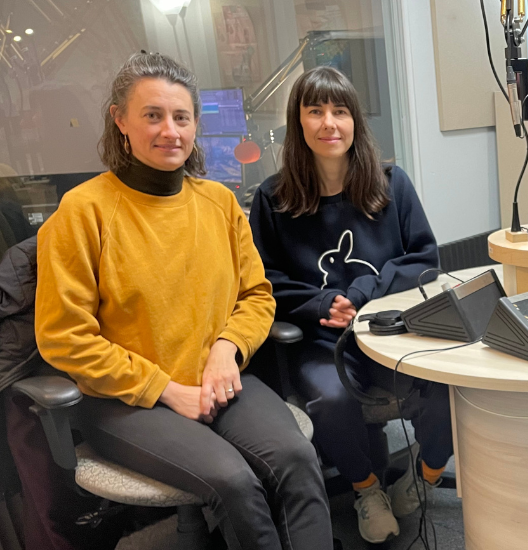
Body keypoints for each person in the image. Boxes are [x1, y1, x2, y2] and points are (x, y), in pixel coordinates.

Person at [34, 52, 334, 550]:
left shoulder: (218, 203)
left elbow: (257, 295)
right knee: (234, 482)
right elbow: (63, 338)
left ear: (196, 125)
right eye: (153, 115)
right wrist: (165, 388)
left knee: (299, 461)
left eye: (181, 117)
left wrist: (226, 350)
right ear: (120, 120)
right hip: (126, 402)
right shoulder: (82, 212)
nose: (169, 130)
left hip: (218, 380)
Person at [249, 66, 452, 544]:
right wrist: (323, 302)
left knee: (448, 387)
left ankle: (424, 476)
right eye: (315, 111)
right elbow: (262, 279)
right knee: (332, 400)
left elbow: (425, 258)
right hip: (320, 339)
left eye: (339, 111)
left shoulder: (391, 183)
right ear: (299, 123)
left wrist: (362, 294)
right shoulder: (272, 198)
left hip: (391, 331)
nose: (329, 123)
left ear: (355, 120)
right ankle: (366, 489)